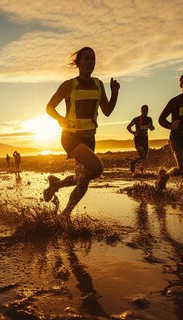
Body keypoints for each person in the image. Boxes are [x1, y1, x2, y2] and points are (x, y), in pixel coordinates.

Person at [43, 47, 120, 218]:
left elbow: (107, 111)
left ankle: (63, 207)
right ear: (78, 63)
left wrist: (115, 93)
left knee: (82, 180)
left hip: (89, 138)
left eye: (93, 59)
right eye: (87, 59)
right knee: (97, 169)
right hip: (71, 137)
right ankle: (63, 205)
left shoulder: (99, 84)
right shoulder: (68, 85)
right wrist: (60, 119)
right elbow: (49, 108)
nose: (91, 62)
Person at [126, 105, 155, 174]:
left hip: (145, 139)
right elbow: (128, 127)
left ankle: (141, 169)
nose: (145, 111)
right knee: (142, 155)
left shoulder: (149, 119)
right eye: (144, 110)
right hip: (138, 139)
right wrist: (133, 132)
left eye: (147, 110)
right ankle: (132, 163)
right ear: (141, 111)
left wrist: (152, 128)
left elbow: (151, 127)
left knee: (144, 157)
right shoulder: (137, 119)